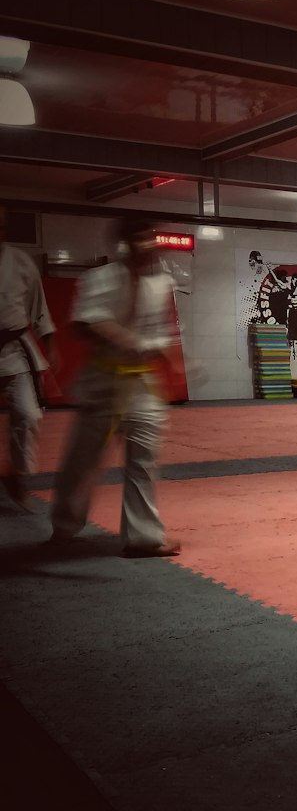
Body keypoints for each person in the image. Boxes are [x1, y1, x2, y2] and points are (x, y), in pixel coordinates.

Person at [50, 218, 182, 556]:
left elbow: (161, 333)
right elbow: (86, 324)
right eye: (139, 239)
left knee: (143, 462)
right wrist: (130, 341)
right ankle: (64, 527)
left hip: (141, 386)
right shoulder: (99, 278)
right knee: (81, 463)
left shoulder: (160, 284)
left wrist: (175, 362)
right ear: (123, 245)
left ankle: (143, 538)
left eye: (150, 239)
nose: (147, 246)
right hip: (103, 383)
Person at [0, 203, 58, 510]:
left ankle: (16, 473)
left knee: (29, 414)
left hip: (14, 351)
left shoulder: (20, 263)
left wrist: (52, 347)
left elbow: (40, 312)